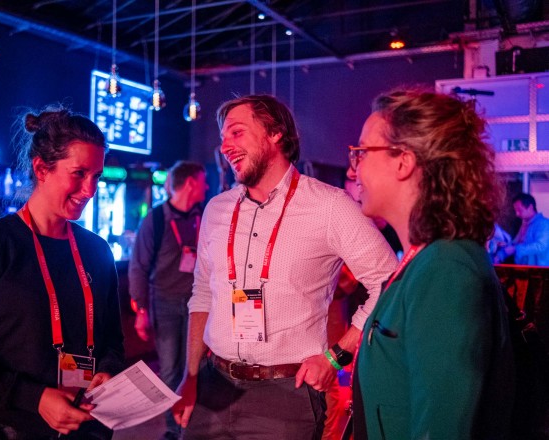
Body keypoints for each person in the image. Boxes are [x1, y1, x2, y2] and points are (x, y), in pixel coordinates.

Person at [172, 94, 398, 439]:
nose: (225, 146)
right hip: (212, 387)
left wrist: (336, 357)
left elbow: (391, 282)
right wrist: (189, 378)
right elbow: (202, 294)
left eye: (236, 133)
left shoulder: (329, 206)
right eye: (222, 137)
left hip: (285, 395)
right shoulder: (217, 209)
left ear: (275, 133)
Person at [0, 107, 125, 439]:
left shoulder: (97, 250)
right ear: (41, 169)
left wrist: (107, 370)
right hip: (8, 427)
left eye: (96, 176)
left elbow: (113, 342)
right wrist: (35, 398)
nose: (90, 190)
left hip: (86, 427)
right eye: (79, 173)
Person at [347, 87, 514, 439]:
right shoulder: (422, 260)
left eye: (362, 152)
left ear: (404, 161)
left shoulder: (446, 270)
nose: (354, 169)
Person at [128, 160, 207, 440]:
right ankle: (174, 430)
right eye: (202, 181)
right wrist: (140, 309)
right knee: (171, 369)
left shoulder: (204, 216)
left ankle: (190, 425)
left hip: (197, 304)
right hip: (165, 302)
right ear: (189, 184)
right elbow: (138, 265)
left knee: (194, 368)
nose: (207, 186)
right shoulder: (157, 218)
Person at [502, 193, 549, 266]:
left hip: (539, 271)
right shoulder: (524, 223)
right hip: (523, 268)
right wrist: (506, 245)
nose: (517, 214)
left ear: (530, 207)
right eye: (515, 210)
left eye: (519, 210)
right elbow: (516, 242)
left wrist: (516, 249)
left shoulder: (544, 223)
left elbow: (541, 246)